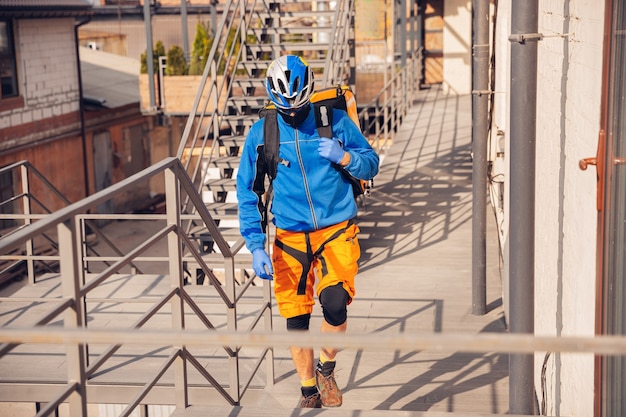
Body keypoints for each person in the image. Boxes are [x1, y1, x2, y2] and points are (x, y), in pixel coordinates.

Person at [236, 55, 379, 408]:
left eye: (298, 106)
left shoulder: (334, 121)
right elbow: (248, 193)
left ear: (309, 94)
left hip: (336, 229)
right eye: (285, 109)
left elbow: (371, 162)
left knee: (335, 305)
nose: (292, 114)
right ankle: (308, 389)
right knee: (296, 318)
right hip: (290, 237)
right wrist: (255, 245)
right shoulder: (262, 135)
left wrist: (345, 157)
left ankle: (327, 366)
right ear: (273, 99)